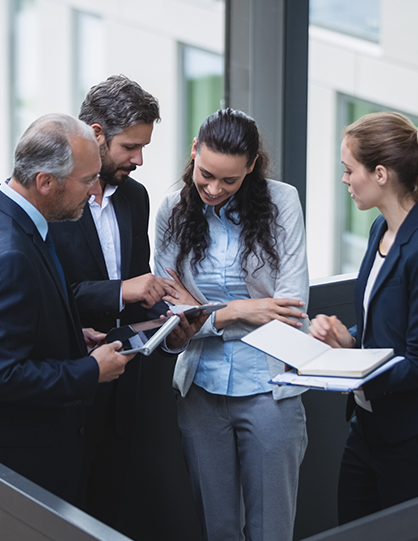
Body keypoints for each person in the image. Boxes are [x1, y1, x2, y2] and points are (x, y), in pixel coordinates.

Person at [0, 113, 137, 504]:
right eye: (88, 180)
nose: (94, 194)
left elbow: (3, 328)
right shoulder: (11, 255)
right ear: (45, 182)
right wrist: (89, 370)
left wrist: (73, 336)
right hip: (9, 465)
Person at [308, 112, 418, 523]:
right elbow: (379, 333)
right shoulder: (380, 230)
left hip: (416, 440)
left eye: (349, 170)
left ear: (380, 174)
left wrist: (346, 371)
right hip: (368, 429)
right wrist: (346, 339)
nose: (344, 180)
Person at [154, 108, 310, 541]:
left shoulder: (282, 203)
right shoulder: (171, 210)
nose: (213, 188)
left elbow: (290, 311)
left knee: (270, 532)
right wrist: (241, 310)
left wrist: (202, 312)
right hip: (200, 390)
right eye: (205, 174)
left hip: (270, 390)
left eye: (229, 180)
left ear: (252, 168)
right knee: (218, 531)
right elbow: (171, 315)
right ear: (193, 152)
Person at [50, 74, 187, 527]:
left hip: (124, 392)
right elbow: (51, 297)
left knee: (108, 516)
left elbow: (140, 291)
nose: (140, 159)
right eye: (130, 147)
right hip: (66, 391)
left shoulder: (135, 197)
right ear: (96, 135)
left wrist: (170, 325)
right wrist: (121, 289)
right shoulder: (52, 199)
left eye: (143, 146)